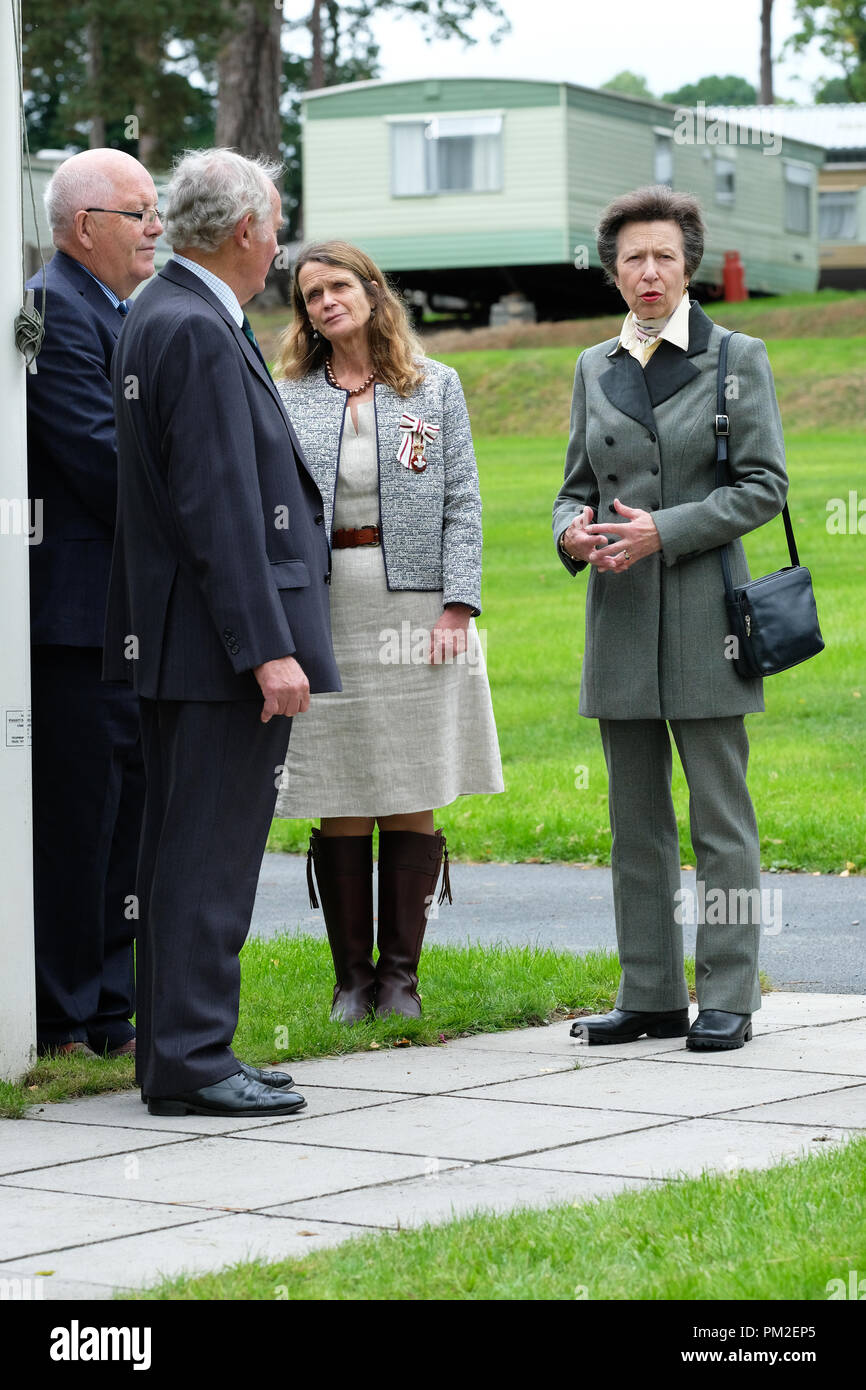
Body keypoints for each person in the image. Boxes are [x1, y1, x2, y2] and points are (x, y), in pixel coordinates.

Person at [104, 149, 340, 1117]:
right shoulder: (194, 325)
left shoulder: (163, 310)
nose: (280, 239)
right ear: (244, 231)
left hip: (177, 641)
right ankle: (195, 1060)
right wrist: (267, 646)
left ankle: (175, 1053)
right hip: (215, 649)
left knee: (177, 854)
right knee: (206, 857)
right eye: (276, 222)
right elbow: (217, 506)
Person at [553, 186, 788, 1052]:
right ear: (612, 272)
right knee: (634, 823)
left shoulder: (737, 357)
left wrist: (667, 529)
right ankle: (649, 993)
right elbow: (574, 484)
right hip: (617, 619)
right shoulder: (591, 366)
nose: (648, 272)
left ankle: (730, 991)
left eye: (662, 256)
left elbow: (765, 485)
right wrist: (570, 534)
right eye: (631, 259)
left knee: (720, 819)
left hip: (704, 617)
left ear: (688, 263)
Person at [273, 241, 503, 1024]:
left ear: (372, 292)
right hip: (325, 607)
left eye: (338, 286)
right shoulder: (287, 391)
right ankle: (350, 980)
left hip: (416, 607)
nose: (325, 303)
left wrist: (458, 606)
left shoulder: (433, 386)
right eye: (310, 295)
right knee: (340, 782)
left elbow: (463, 503)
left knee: (410, 780)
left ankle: (400, 978)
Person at [26, 149, 162, 1059]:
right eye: (139, 211)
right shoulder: (51, 310)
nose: (157, 226)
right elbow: (99, 454)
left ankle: (112, 1010)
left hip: (134, 613)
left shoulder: (127, 309)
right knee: (80, 821)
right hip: (78, 617)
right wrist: (201, 504)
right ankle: (63, 1015)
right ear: (86, 227)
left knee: (131, 814)